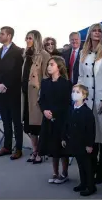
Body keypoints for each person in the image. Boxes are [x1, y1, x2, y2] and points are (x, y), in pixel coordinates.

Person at [77, 23, 102, 184]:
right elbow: (80, 76)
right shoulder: (83, 53)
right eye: (95, 30)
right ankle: (90, 169)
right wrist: (80, 95)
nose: (97, 33)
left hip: (100, 99)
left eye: (100, 31)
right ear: (90, 33)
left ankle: (101, 169)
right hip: (87, 100)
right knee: (89, 136)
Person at [38, 56, 72, 184]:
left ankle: (64, 172)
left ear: (59, 67)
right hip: (48, 119)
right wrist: (45, 111)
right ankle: (55, 172)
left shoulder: (66, 84)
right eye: (48, 64)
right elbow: (41, 100)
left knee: (62, 148)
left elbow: (68, 103)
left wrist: (56, 113)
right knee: (52, 146)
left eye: (52, 64)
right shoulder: (45, 82)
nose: (49, 67)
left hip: (61, 120)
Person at [0, 26, 24, 160]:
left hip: (13, 92)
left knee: (16, 122)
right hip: (0, 92)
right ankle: (6, 146)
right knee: (5, 121)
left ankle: (18, 148)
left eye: (2, 34)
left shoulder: (18, 52)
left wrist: (6, 85)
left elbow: (19, 72)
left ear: (9, 36)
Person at [21, 30, 51, 164]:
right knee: (28, 125)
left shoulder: (44, 55)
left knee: (38, 125)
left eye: (30, 38)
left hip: (37, 95)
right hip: (25, 94)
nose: (27, 41)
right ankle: (34, 150)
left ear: (37, 40)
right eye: (26, 38)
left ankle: (40, 152)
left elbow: (46, 76)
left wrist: (42, 93)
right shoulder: (26, 55)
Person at [62, 84, 96, 196]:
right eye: (73, 91)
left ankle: (91, 186)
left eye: (77, 92)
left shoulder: (87, 111)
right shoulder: (71, 109)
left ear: (84, 95)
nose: (74, 94)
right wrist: (64, 138)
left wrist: (89, 144)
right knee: (80, 164)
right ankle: (83, 183)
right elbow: (66, 124)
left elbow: (91, 130)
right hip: (74, 142)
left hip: (84, 143)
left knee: (87, 165)